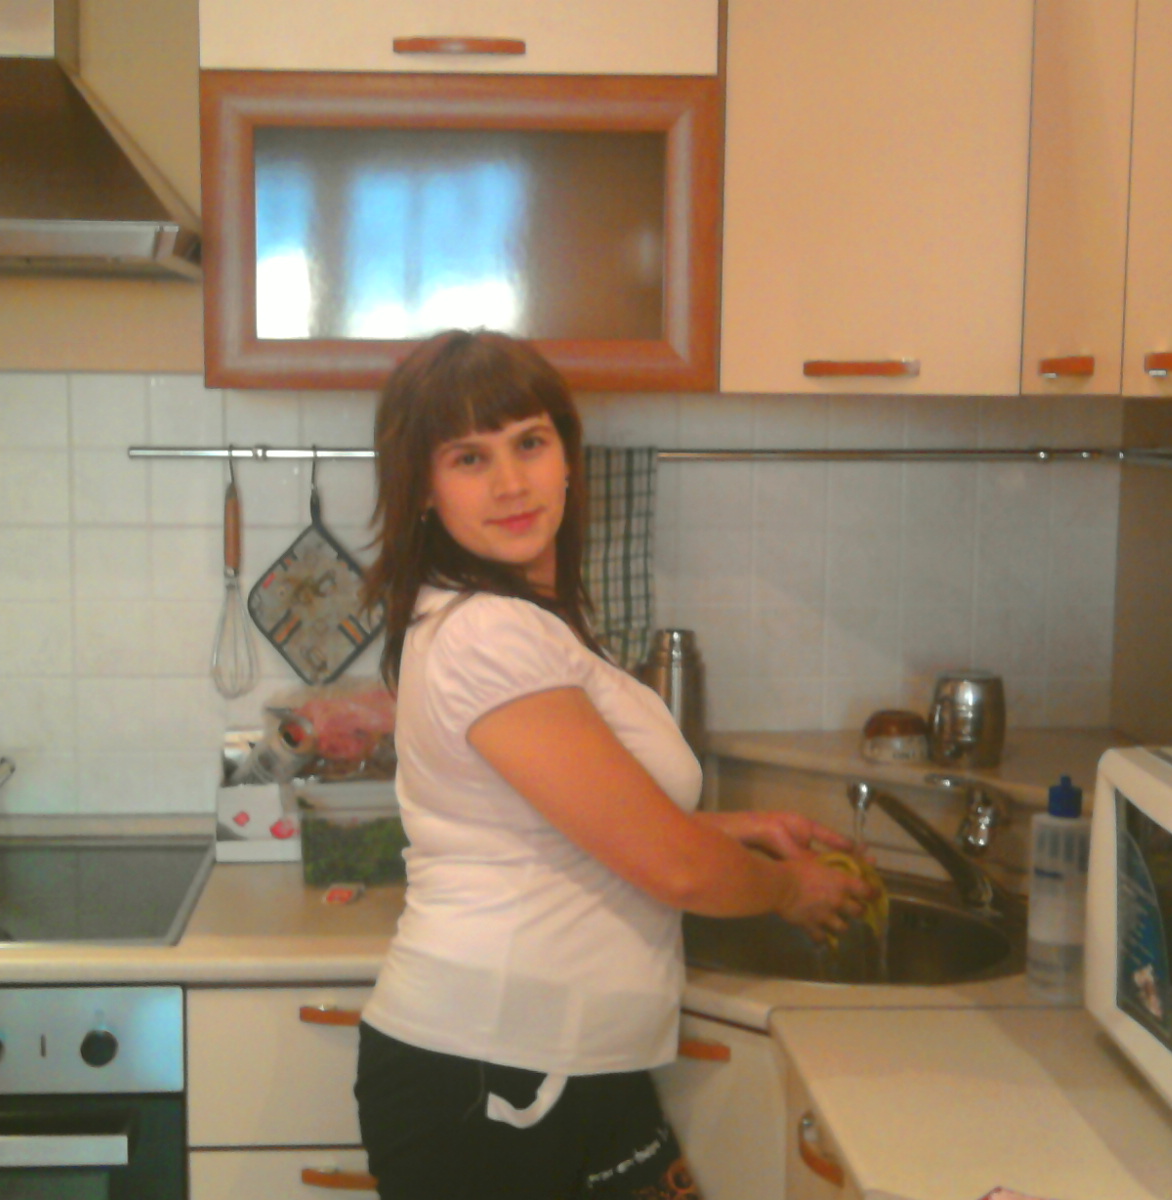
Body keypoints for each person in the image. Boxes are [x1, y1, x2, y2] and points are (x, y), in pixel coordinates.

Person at [354, 329, 872, 1200]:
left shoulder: (520, 619)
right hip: (492, 1074)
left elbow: (556, 824)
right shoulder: (487, 634)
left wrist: (735, 827)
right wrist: (791, 890)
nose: (511, 482)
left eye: (529, 443)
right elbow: (673, 867)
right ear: (424, 490)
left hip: (545, 1060)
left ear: (568, 458)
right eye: (470, 458)